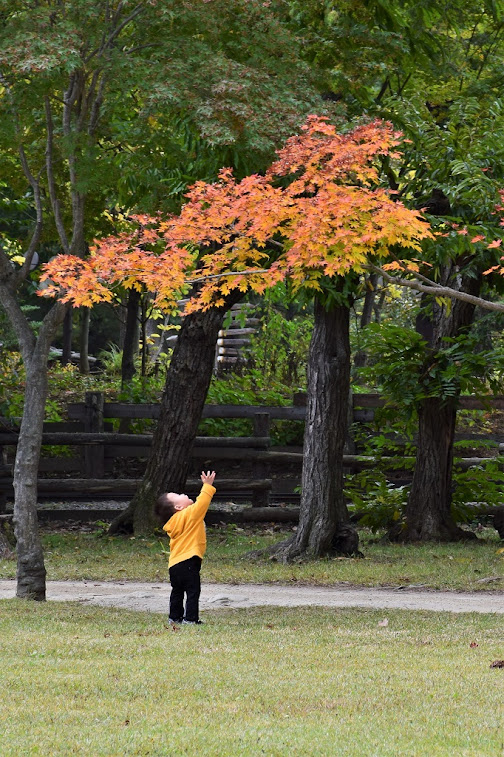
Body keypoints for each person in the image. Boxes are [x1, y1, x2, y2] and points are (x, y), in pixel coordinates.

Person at [154, 470, 216, 625]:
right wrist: (207, 486)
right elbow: (202, 503)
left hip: (174, 564)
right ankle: (191, 619)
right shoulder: (188, 515)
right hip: (188, 561)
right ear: (178, 506)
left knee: (177, 591)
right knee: (193, 591)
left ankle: (174, 618)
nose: (182, 493)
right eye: (178, 495)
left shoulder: (174, 522)